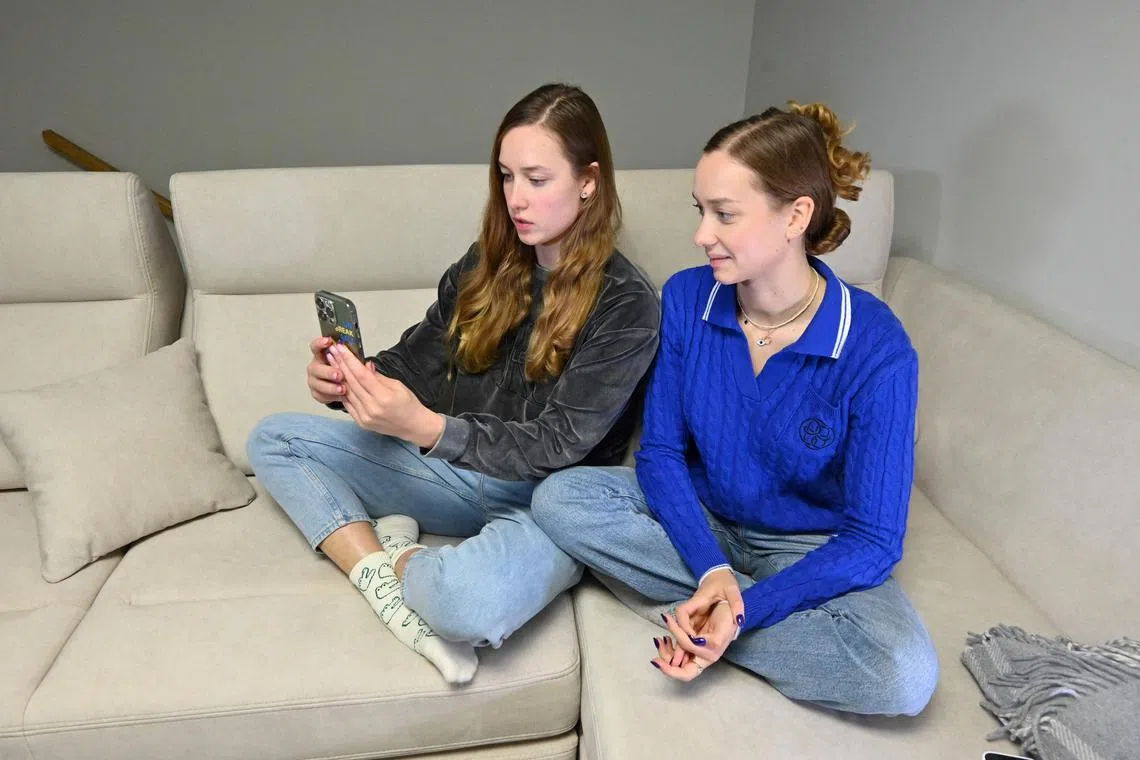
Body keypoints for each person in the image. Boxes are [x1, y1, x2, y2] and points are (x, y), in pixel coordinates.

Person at [531, 102, 939, 715]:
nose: (701, 235)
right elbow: (662, 453)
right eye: (701, 211)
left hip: (808, 548)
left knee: (901, 677)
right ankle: (710, 604)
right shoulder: (688, 298)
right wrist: (712, 568)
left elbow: (874, 540)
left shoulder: (877, 346)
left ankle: (707, 623)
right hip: (703, 519)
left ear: (795, 215)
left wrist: (746, 608)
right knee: (559, 500)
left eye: (725, 214)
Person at [247, 83, 661, 685]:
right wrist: (349, 381)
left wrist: (427, 428)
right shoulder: (483, 265)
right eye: (505, 177)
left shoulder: (627, 305)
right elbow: (413, 367)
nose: (516, 199)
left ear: (589, 180)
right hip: (448, 475)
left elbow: (556, 446)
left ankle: (402, 554)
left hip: (546, 505)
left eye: (537, 179)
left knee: (463, 607)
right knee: (272, 439)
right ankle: (384, 585)